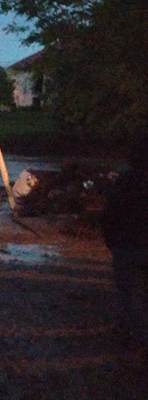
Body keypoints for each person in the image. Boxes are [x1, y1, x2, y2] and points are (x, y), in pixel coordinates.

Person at [101, 134, 148, 349]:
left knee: (128, 295)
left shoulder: (124, 182)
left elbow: (110, 214)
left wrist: (111, 241)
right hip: (129, 244)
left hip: (127, 246)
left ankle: (130, 334)